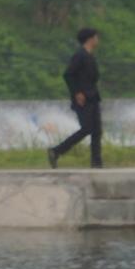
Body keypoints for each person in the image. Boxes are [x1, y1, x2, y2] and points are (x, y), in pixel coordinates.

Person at [50, 26, 104, 167]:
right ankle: (56, 151)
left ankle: (96, 162)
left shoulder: (90, 55)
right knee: (86, 128)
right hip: (83, 98)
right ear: (90, 39)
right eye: (96, 37)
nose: (98, 39)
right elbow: (68, 75)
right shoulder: (80, 55)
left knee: (97, 130)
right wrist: (77, 93)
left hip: (93, 96)